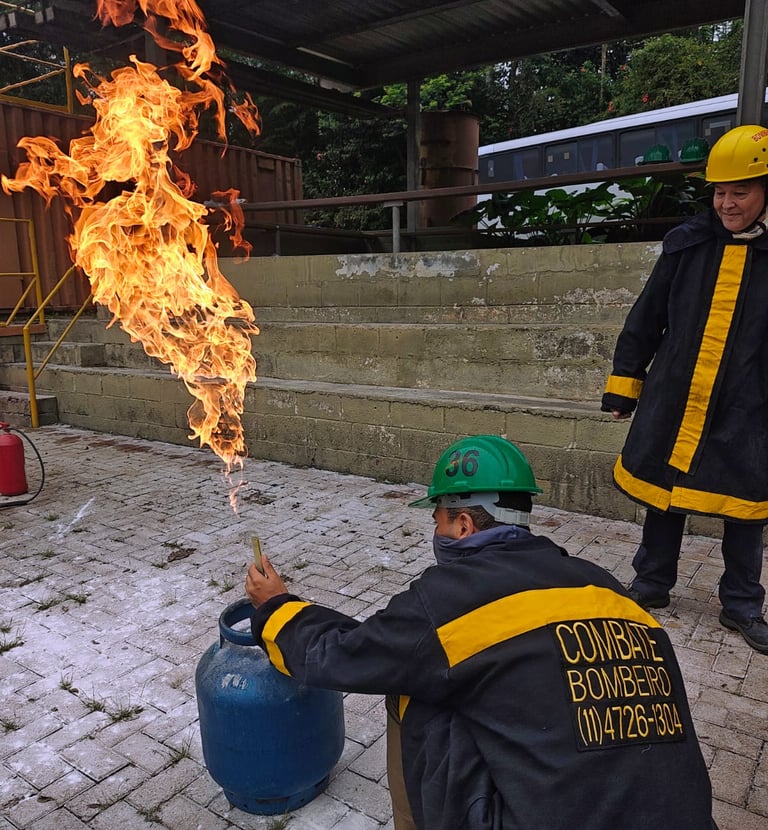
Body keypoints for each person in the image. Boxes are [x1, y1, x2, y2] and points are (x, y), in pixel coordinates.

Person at [245, 434, 716, 830]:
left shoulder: (449, 599)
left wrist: (278, 608)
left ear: (464, 524)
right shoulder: (607, 586)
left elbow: (343, 656)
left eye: (438, 519)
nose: (436, 530)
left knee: (412, 689)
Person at [601, 124, 768, 654]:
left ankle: (742, 604)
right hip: (677, 394)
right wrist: (624, 385)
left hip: (749, 402)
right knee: (664, 492)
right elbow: (646, 317)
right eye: (719, 192)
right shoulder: (687, 243)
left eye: (740, 192)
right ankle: (652, 582)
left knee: (747, 504)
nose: (726, 204)